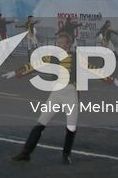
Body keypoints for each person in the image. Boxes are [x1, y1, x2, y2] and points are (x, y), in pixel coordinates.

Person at [9, 29, 108, 164]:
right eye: (58, 43)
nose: (59, 45)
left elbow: (93, 69)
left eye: (62, 43)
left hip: (70, 93)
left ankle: (66, 155)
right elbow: (35, 65)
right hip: (56, 92)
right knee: (40, 123)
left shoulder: (76, 58)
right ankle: (25, 153)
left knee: (71, 126)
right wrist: (18, 72)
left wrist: (110, 78)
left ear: (69, 45)